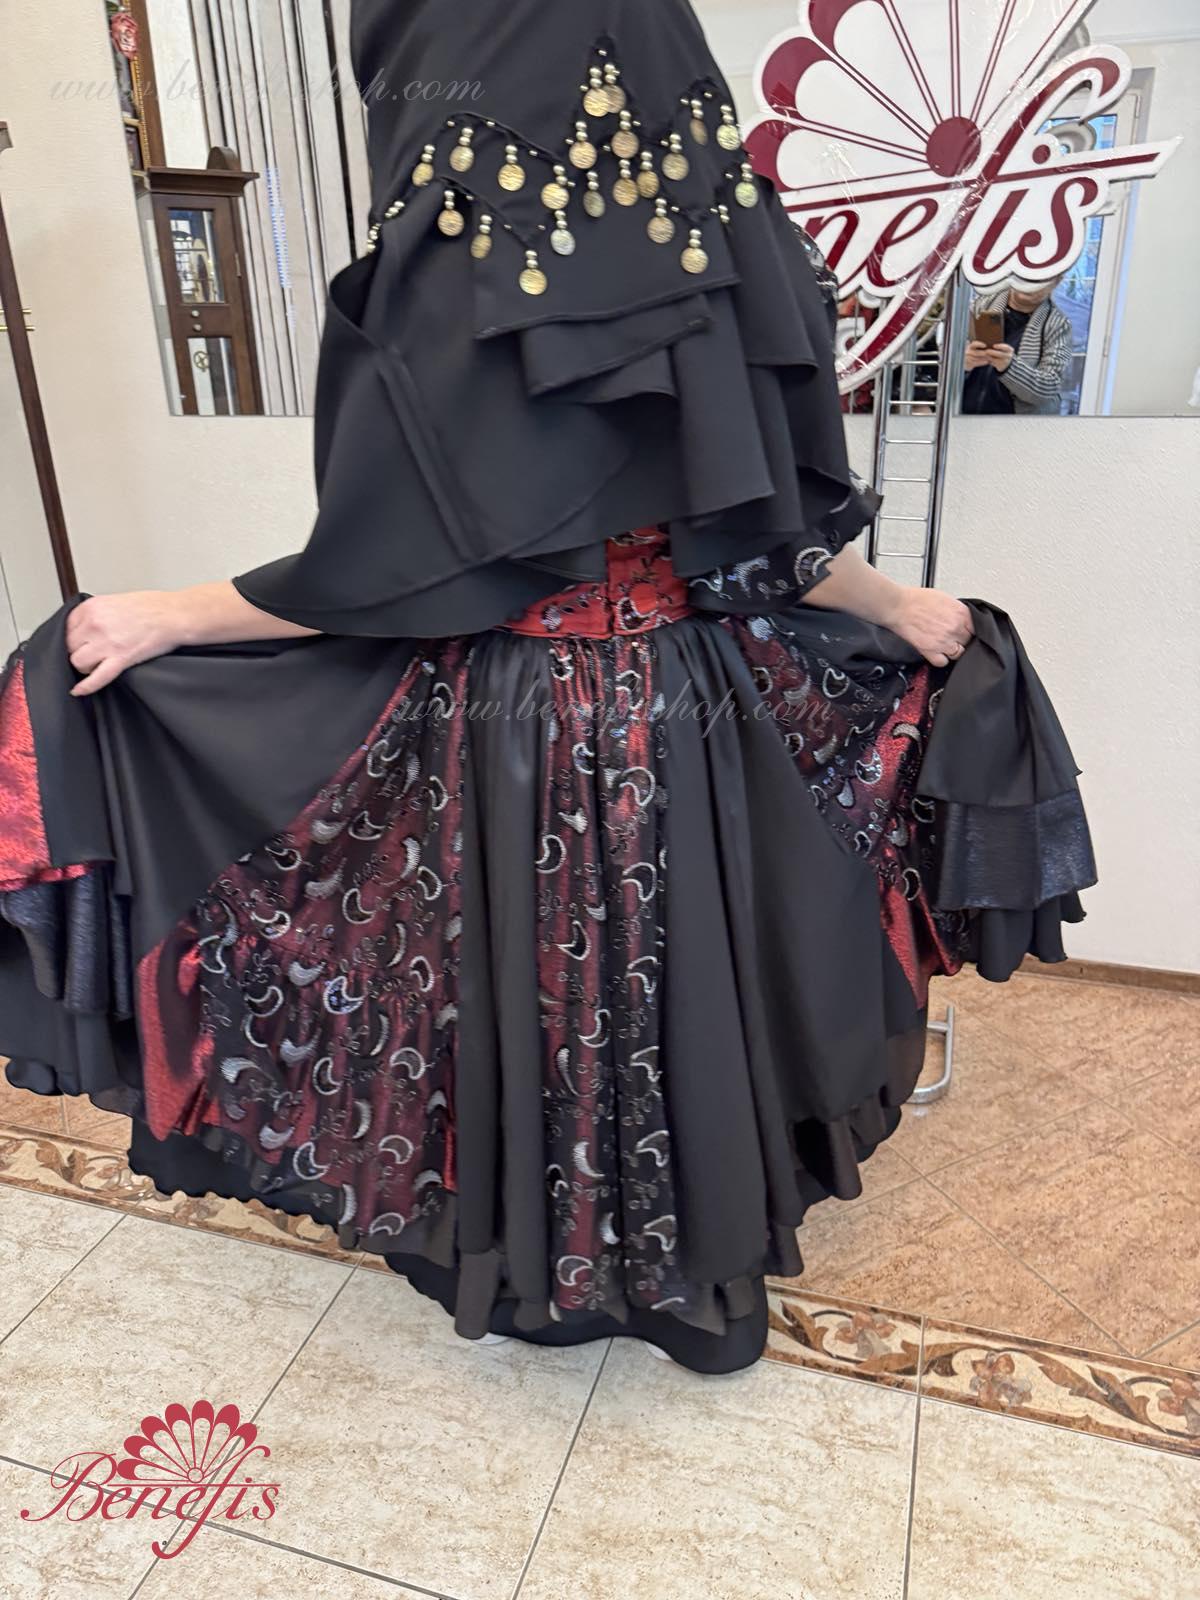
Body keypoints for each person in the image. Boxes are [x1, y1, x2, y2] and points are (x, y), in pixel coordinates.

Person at [0, 0, 1095, 1375]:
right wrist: (894, 604)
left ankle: (560, 1271)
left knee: (552, 983)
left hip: (515, 713)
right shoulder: (720, 252)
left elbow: (396, 572)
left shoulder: (459, 268)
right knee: (670, 981)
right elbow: (748, 537)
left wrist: (176, 615)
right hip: (673, 704)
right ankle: (684, 1284)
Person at [963, 276, 1073, 415]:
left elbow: (1049, 388)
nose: (1030, 283)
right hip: (962, 419)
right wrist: (962, 363)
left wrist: (1010, 366)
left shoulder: (1059, 325)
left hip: (1017, 425)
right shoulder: (979, 305)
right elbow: (944, 363)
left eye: (1040, 278)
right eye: (1025, 274)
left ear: (1056, 282)